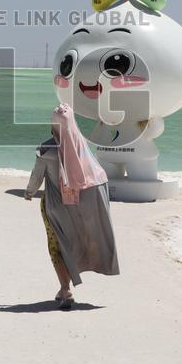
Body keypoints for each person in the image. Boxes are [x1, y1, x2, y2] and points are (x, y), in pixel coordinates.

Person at [25, 103, 119, 309]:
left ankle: (65, 289)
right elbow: (96, 175)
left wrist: (29, 192)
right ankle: (64, 288)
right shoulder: (81, 145)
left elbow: (37, 176)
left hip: (56, 207)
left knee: (56, 246)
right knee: (77, 243)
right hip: (82, 207)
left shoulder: (46, 148)